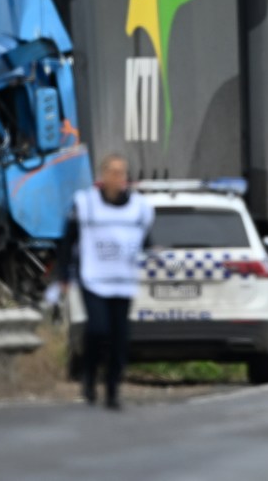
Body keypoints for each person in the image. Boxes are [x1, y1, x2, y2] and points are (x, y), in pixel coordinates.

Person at [53, 153, 153, 409]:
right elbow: (68, 242)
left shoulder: (139, 208)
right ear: (102, 176)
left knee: (120, 338)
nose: (119, 177)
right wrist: (63, 275)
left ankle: (112, 389)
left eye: (123, 172)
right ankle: (89, 377)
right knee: (98, 330)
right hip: (94, 278)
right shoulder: (85, 204)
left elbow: (146, 243)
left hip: (123, 281)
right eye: (113, 172)